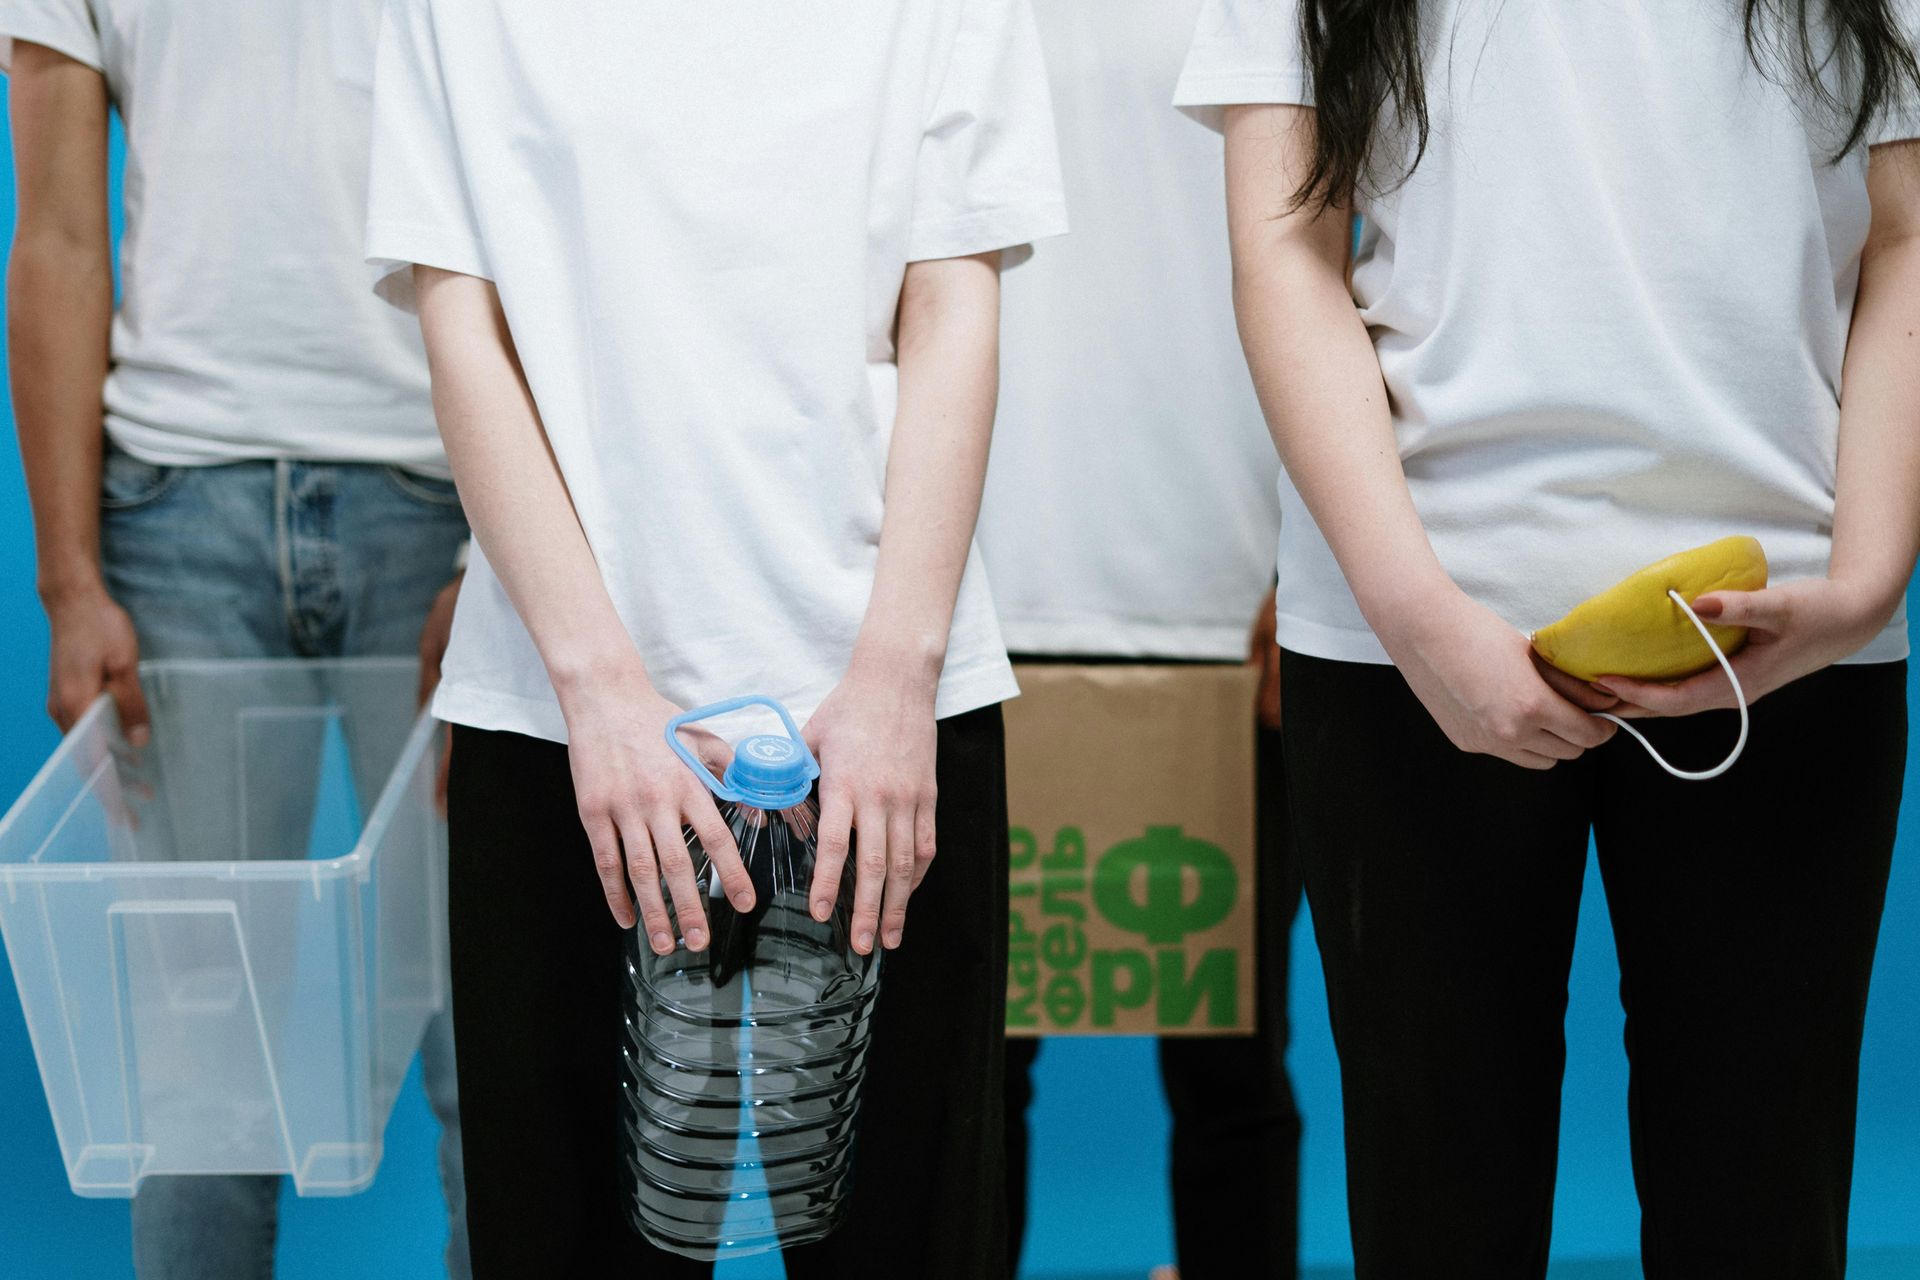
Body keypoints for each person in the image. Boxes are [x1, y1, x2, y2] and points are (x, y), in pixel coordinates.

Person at [1176, 2, 1920, 1277]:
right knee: (1436, 1218)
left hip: (1785, 634)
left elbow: (1910, 233)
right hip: (1408, 644)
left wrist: (1863, 581)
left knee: (1762, 1218)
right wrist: (1417, 616)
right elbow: (1286, 239)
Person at [361, 1, 1066, 1275]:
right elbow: (466, 330)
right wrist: (603, 692)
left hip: (880, 707)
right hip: (567, 716)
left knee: (909, 1233)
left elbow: (953, 306)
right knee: (571, 1236)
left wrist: (899, 674)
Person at [0, 3, 471, 1276]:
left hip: (447, 492)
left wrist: (502, 556)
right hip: (175, 510)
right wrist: (68, 580)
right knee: (202, 1066)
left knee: (493, 1042)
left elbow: (548, 203)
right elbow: (51, 232)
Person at [976, 3, 1298, 1277]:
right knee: (967, 1078)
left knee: (1235, 1067)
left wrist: (1318, 556)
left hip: (1231, 589)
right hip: (975, 599)